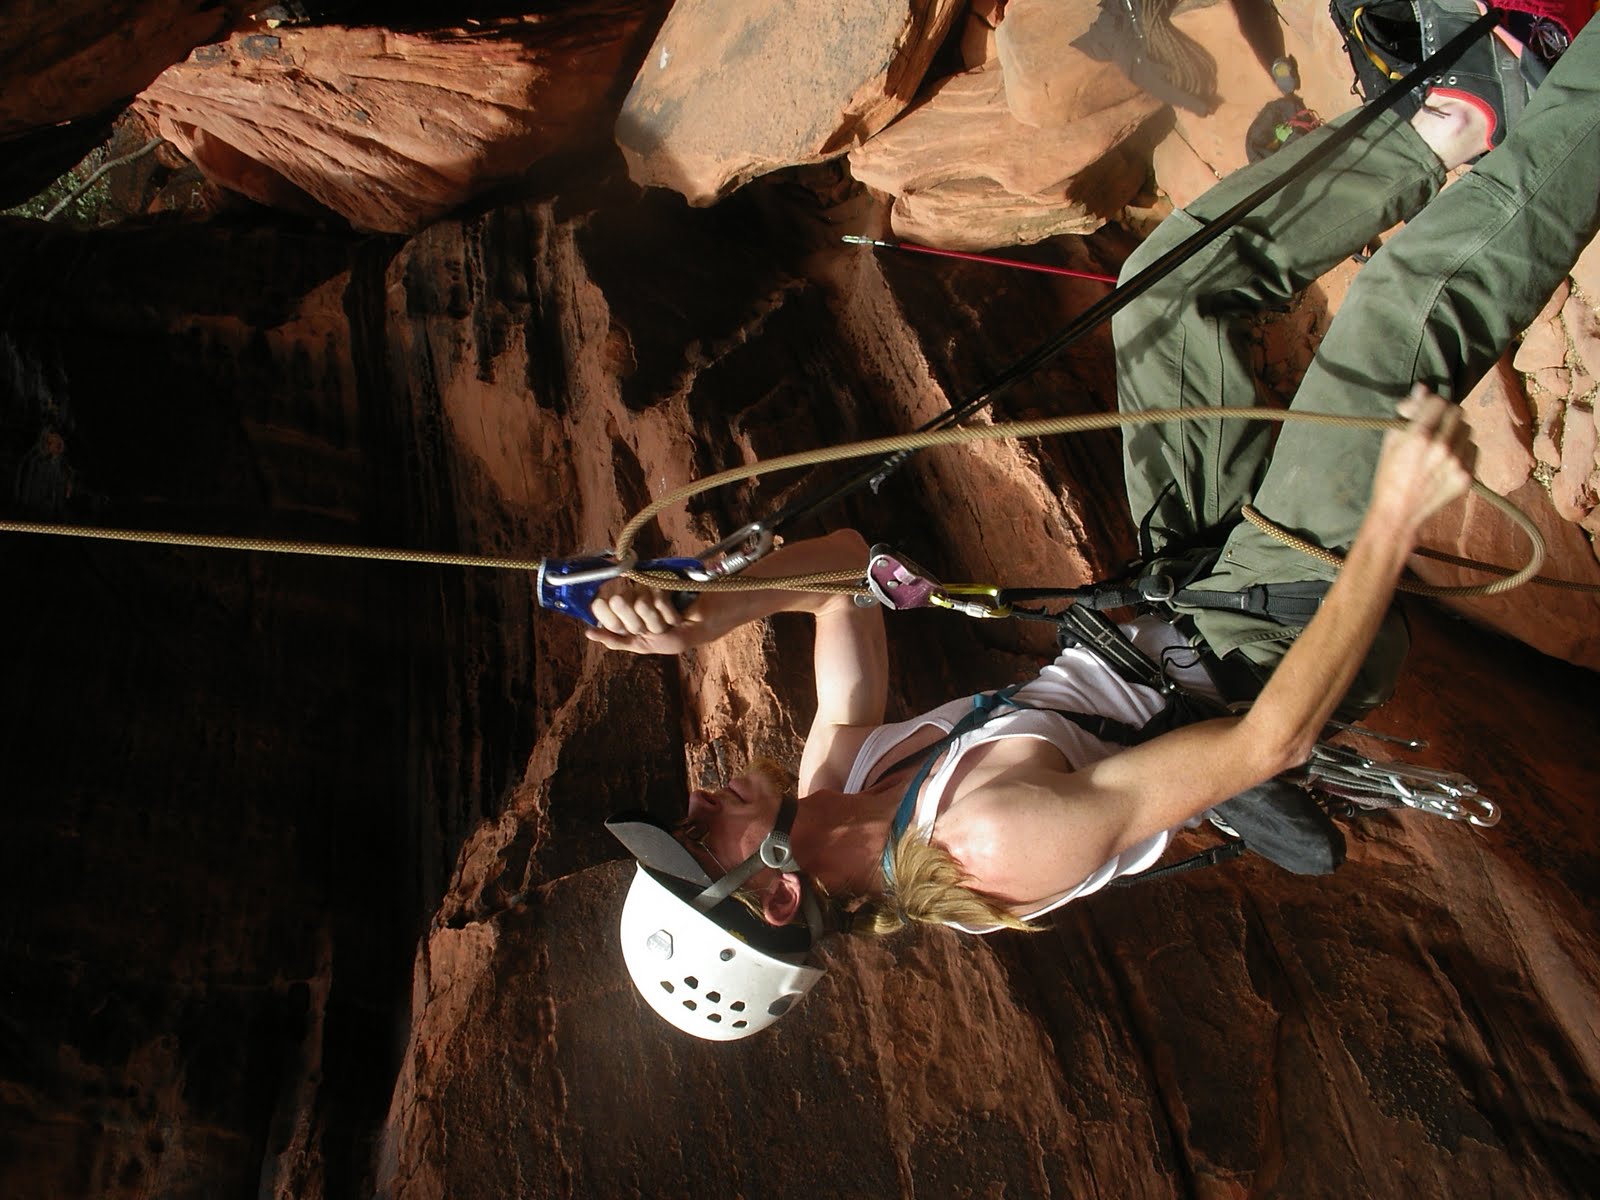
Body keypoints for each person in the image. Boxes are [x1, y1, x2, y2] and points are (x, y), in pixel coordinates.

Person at [586, 12, 1600, 1040]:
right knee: (1391, 329)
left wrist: (705, 607)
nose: (698, 807)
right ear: (776, 897)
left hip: (1177, 586)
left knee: (1168, 301)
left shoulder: (838, 779)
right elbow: (1269, 740)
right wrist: (1384, 526)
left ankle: (1455, 121)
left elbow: (847, 572)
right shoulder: (991, 846)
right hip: (1264, 643)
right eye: (695, 842)